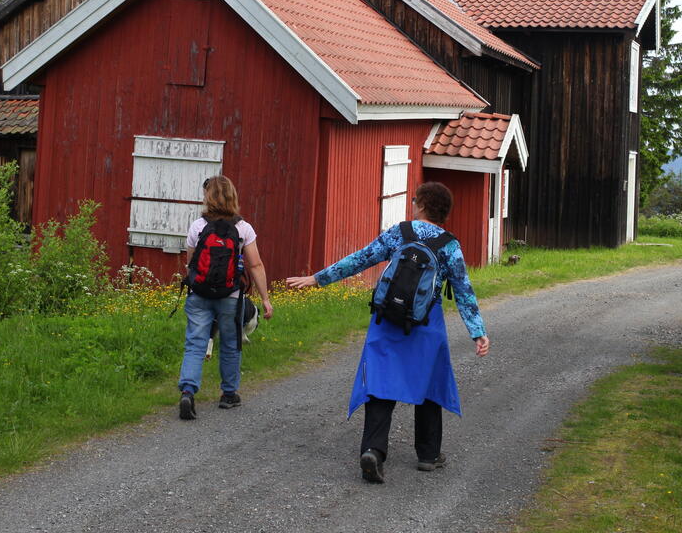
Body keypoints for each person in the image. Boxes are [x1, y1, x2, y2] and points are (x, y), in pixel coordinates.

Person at [286, 181, 490, 483]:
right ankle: (428, 455)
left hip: (388, 319)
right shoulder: (449, 245)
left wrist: (317, 279)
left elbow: (360, 259)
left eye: (414, 200)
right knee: (430, 384)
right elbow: (463, 291)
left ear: (421, 205)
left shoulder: (400, 232)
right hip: (426, 325)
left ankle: (373, 450)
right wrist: (478, 332)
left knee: (381, 382)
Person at [178, 175, 273, 420]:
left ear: (207, 198)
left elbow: (190, 263)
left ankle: (188, 391)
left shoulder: (198, 226)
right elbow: (256, 265)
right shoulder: (243, 228)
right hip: (230, 296)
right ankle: (229, 394)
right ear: (233, 197)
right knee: (231, 344)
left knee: (195, 344)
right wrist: (265, 299)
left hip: (199, 294)